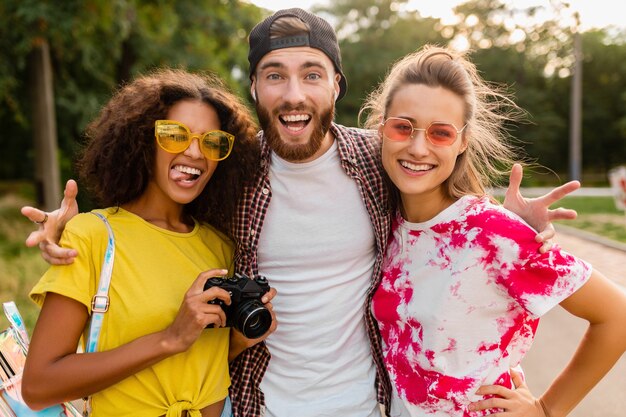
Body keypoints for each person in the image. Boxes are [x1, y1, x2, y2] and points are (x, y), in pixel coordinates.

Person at [22, 8, 581, 417]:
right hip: (252, 405)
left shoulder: (376, 157)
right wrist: (70, 225)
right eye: (275, 75)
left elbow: (431, 175)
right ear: (256, 88)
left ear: (336, 84)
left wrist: (505, 220)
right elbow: (161, 197)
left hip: (366, 404)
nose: (294, 93)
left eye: (312, 74)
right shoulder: (230, 170)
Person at [364, 45, 626, 416]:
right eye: (402, 127)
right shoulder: (385, 224)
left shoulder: (493, 234)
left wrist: (547, 410)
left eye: (440, 133)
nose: (418, 147)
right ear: (382, 128)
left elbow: (618, 315)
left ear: (463, 142)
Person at [21, 68, 274, 417]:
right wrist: (169, 338)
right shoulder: (94, 235)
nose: (196, 153)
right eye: (175, 135)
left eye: (212, 142)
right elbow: (38, 387)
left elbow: (196, 364)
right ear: (142, 140)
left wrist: (238, 341)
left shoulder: (221, 245)